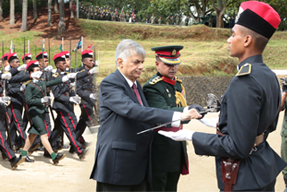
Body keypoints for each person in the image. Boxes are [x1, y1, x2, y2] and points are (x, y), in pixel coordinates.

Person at [159, 1, 287, 191]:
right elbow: (266, 125)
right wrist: (219, 123)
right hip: (262, 165)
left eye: (233, 34)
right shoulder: (269, 75)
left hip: (245, 177)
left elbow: (238, 147)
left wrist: (191, 135)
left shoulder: (245, 81)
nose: (228, 39)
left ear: (247, 40)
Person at [89, 39, 201, 191]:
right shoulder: (110, 84)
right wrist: (178, 116)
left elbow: (149, 114)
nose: (141, 67)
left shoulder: (136, 85)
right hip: (118, 166)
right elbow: (133, 110)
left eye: (142, 62)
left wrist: (186, 111)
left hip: (138, 166)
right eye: (136, 62)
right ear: (120, 62)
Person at [143, 45, 196, 191]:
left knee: (172, 187)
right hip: (160, 149)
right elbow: (164, 113)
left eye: (175, 64)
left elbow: (182, 113)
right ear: (157, 64)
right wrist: (187, 110)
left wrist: (191, 111)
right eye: (168, 64)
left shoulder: (177, 84)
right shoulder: (152, 87)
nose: (173, 68)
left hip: (176, 146)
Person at [18, 60, 71, 164]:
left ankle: (22, 155)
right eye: (36, 70)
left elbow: (51, 82)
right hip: (34, 112)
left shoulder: (41, 82)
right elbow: (28, 101)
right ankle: (54, 156)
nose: (39, 71)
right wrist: (41, 100)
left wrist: (64, 78)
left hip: (41, 111)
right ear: (31, 73)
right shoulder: (29, 85)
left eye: (39, 69)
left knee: (32, 134)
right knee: (44, 135)